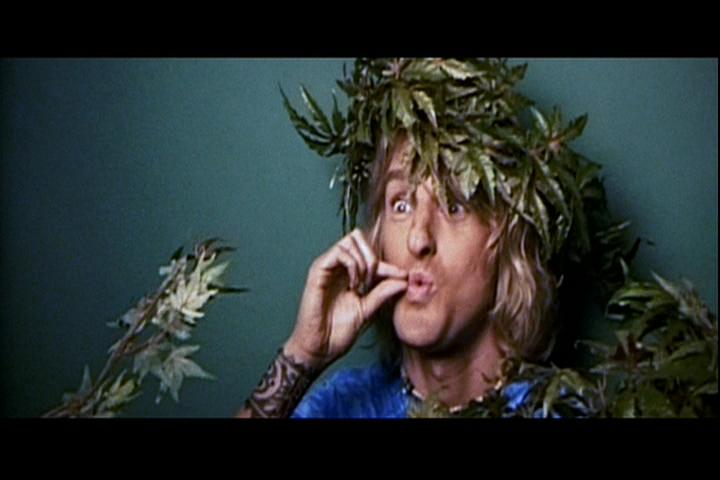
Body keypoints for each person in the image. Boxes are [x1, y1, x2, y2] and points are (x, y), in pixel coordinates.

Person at [236, 58, 584, 418]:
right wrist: (303, 354)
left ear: (506, 237)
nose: (417, 239)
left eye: (453, 205)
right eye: (401, 205)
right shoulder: (344, 404)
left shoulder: (555, 411)